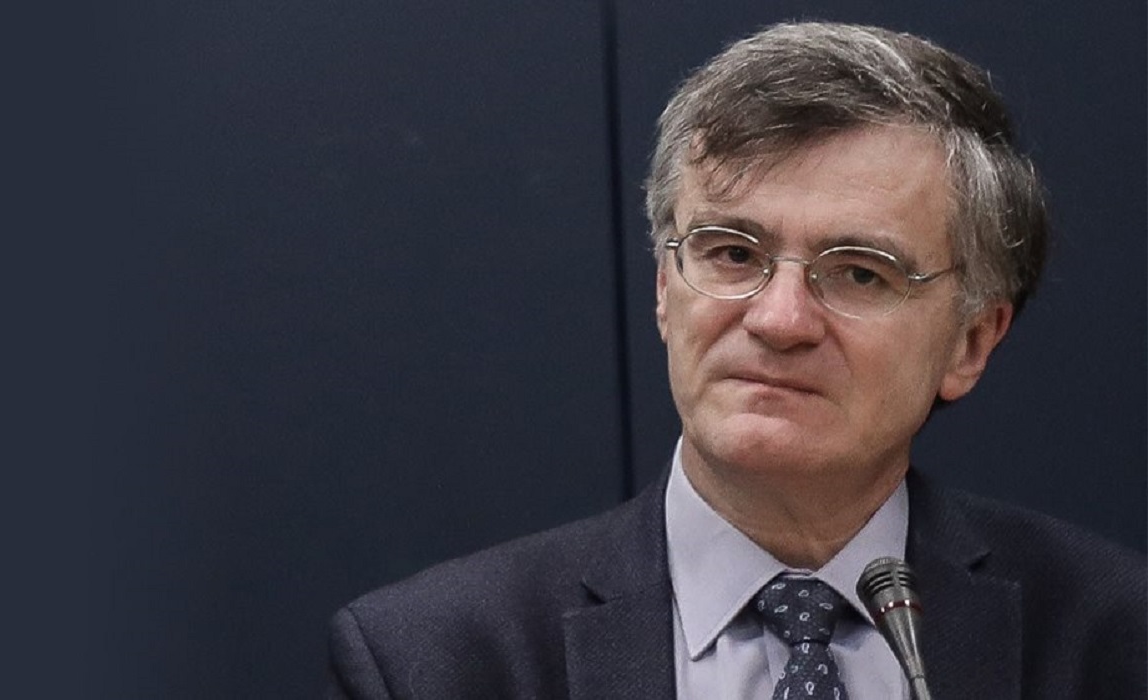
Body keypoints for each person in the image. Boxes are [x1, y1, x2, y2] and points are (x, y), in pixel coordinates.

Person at [326, 21, 1145, 699]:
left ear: (970, 342)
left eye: (860, 272)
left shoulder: (1112, 639)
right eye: (731, 254)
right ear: (664, 288)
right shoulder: (436, 662)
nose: (780, 320)